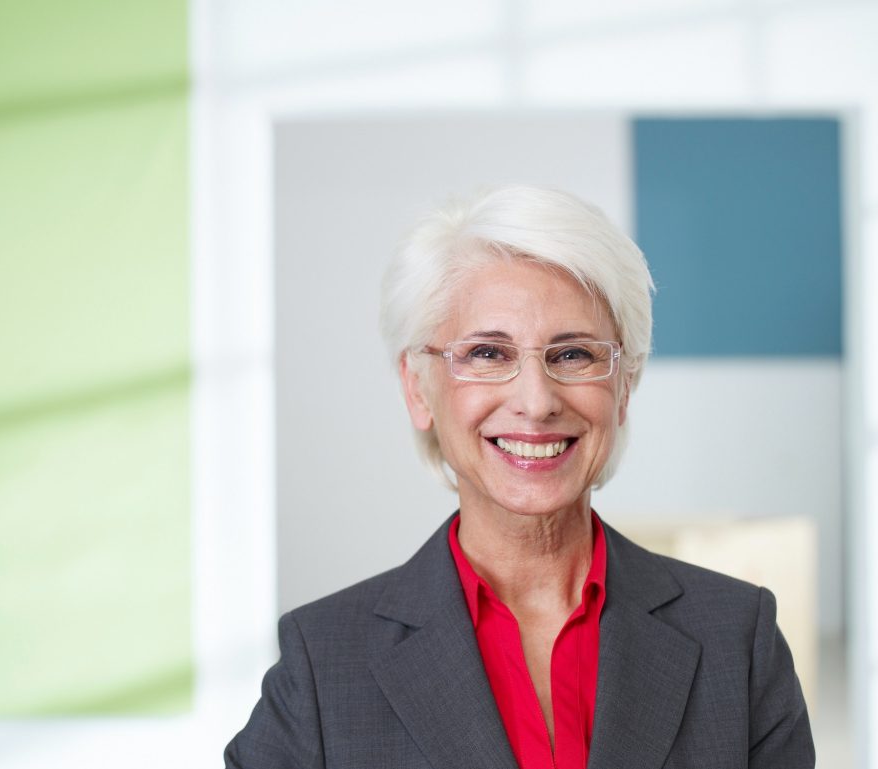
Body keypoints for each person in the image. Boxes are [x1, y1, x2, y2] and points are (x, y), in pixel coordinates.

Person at [224, 186, 814, 768]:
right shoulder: (323, 663)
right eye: (486, 353)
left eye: (574, 354)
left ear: (624, 385)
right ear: (417, 387)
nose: (535, 402)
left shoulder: (738, 639)